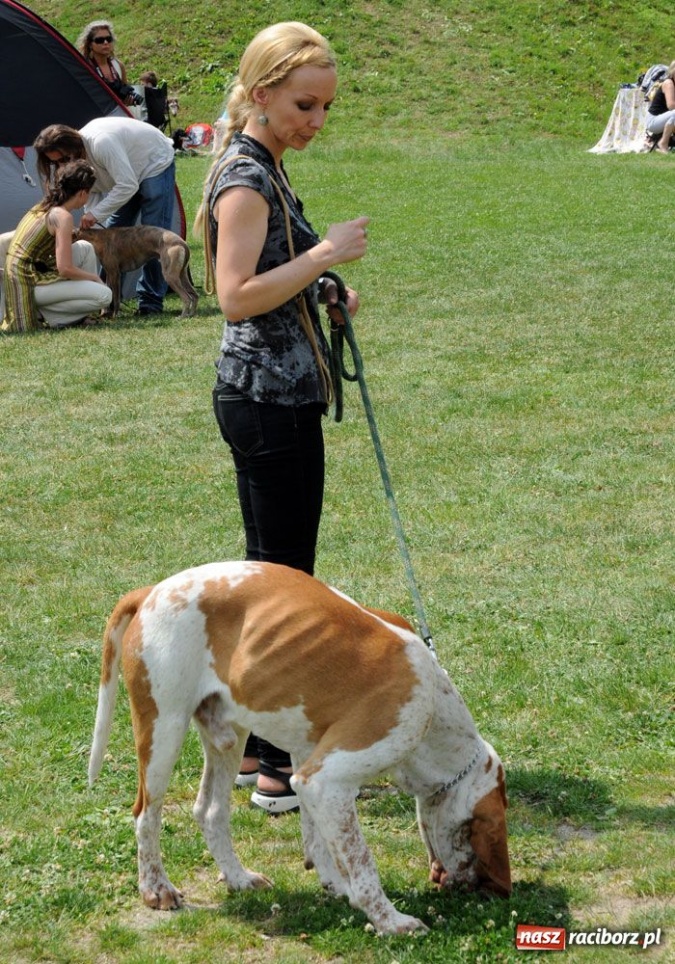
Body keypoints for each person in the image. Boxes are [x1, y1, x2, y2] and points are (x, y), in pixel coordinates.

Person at [194, 21, 369, 813]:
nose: (316, 121)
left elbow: (269, 277)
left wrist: (318, 289)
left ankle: (248, 748)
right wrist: (324, 256)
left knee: (272, 575)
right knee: (285, 585)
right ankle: (274, 765)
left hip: (274, 395)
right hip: (266, 402)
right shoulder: (244, 177)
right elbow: (233, 295)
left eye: (326, 107)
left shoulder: (265, 163)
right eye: (305, 103)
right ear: (260, 92)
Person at [33, 119, 176, 315]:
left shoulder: (101, 143)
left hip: (153, 161)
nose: (60, 165)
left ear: (74, 147)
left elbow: (127, 185)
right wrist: (91, 228)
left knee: (154, 236)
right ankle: (108, 301)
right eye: (54, 162)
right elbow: (92, 193)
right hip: (126, 176)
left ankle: (150, 303)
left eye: (63, 159)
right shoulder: (76, 158)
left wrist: (96, 214)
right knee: (112, 231)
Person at [1, 160, 112, 334]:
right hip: (26, 281)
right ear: (83, 193)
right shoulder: (63, 216)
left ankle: (77, 315)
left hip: (28, 270)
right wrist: (94, 278)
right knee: (105, 295)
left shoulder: (46, 205)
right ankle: (54, 316)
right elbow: (65, 269)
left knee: (84, 248)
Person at [76, 20, 138, 107]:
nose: (105, 43)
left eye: (109, 39)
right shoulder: (84, 67)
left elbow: (125, 94)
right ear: (90, 44)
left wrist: (127, 101)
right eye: (99, 40)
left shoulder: (118, 66)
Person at [646, 61, 675, 152]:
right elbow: (671, 106)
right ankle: (663, 143)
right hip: (654, 121)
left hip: (667, 119)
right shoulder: (668, 83)